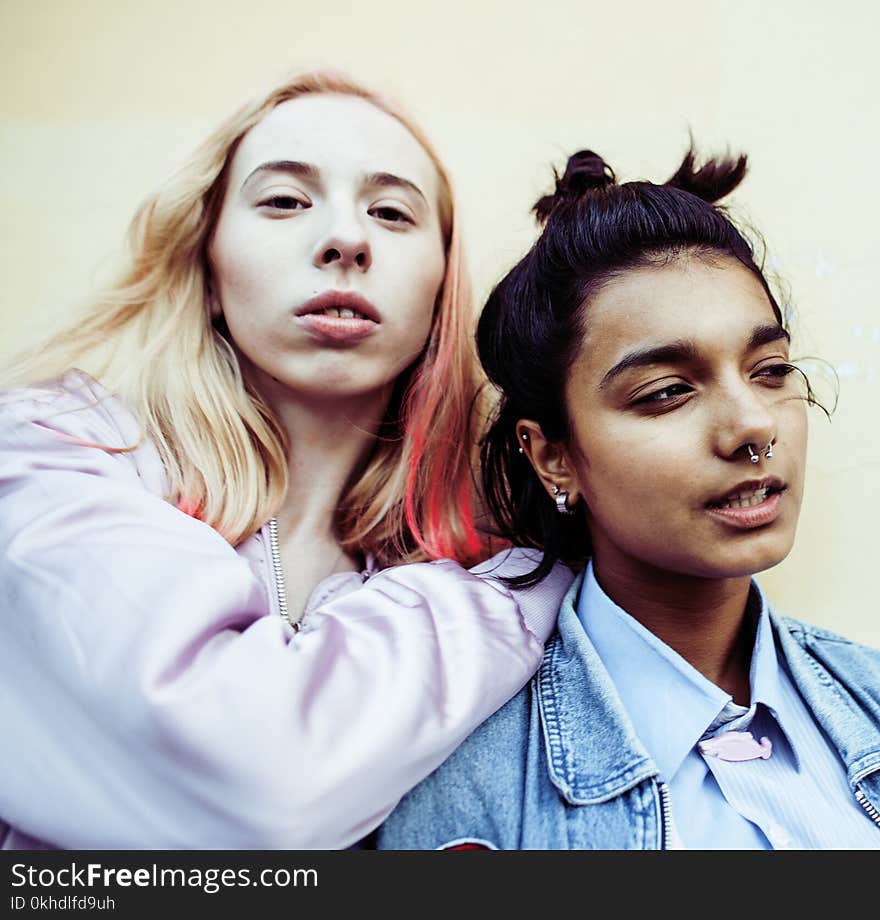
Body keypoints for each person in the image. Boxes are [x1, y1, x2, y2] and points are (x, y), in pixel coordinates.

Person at [0, 70, 573, 850]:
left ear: (443, 286)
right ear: (206, 269)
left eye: (392, 212)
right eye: (284, 201)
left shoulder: (475, 548)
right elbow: (262, 781)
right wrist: (516, 591)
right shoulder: (48, 459)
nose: (346, 240)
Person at [373, 147, 880, 850]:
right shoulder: (465, 780)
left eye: (770, 370)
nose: (754, 425)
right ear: (554, 457)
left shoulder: (869, 693)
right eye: (667, 391)